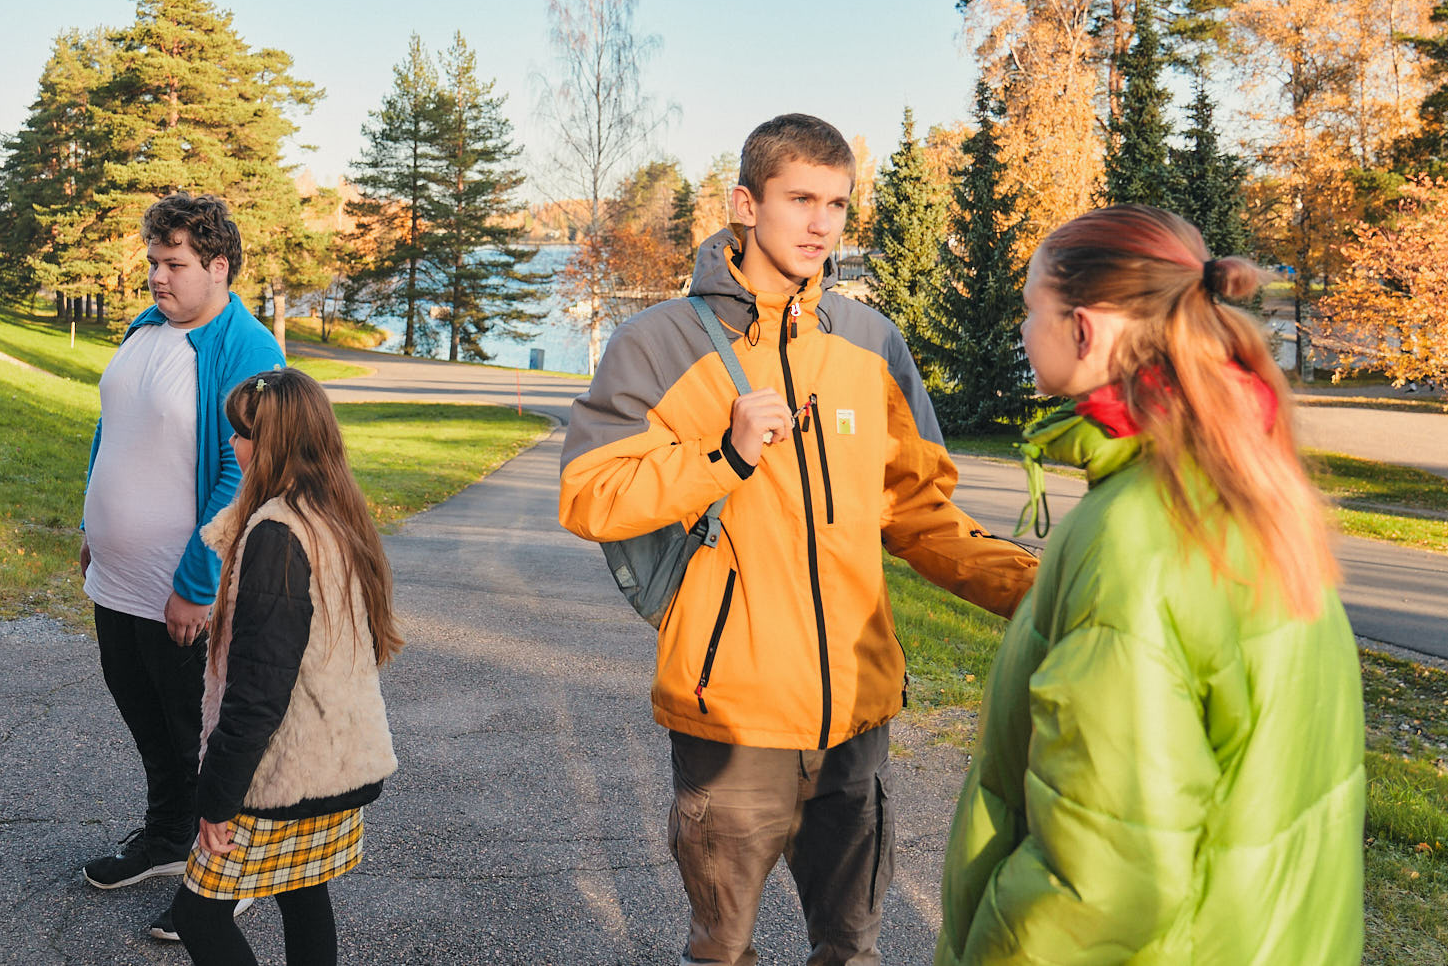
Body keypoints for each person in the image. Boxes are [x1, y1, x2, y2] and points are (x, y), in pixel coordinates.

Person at [559, 113, 1039, 966]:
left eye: (839, 204)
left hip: (853, 717)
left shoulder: (869, 343)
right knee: (724, 951)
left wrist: (1048, 589)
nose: (822, 224)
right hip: (732, 715)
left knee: (851, 948)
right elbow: (591, 494)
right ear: (746, 205)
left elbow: (923, 515)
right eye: (800, 199)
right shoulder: (657, 343)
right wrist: (724, 454)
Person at [937, 206, 1363, 965]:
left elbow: (1101, 878)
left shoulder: (1137, 535)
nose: (1021, 330)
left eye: (1031, 308)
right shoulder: (1245, 480)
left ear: (1085, 329)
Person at [80, 193, 285, 944]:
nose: (157, 278)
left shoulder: (247, 348)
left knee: (204, 734)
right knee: (145, 714)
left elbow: (246, 476)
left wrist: (198, 583)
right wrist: (89, 523)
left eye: (174, 265)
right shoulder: (147, 328)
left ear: (218, 265)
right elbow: (114, 427)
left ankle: (223, 876)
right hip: (120, 580)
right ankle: (167, 836)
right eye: (154, 263)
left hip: (186, 586)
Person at [170, 368, 400, 966]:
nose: (232, 445)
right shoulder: (335, 513)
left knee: (198, 915)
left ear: (271, 442)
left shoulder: (277, 535)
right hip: (337, 764)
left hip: (283, 774)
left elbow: (258, 691)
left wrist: (215, 796)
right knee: (302, 892)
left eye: (242, 434)